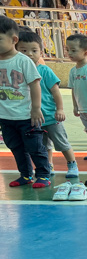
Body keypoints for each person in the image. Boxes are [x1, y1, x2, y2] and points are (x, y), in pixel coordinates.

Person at [16, 30, 77, 180]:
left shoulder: (44, 70)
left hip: (50, 116)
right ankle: (49, 165)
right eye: (24, 51)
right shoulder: (18, 72)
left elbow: (56, 91)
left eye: (34, 50)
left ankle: (72, 164)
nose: (29, 54)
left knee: (61, 142)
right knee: (43, 146)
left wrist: (60, 109)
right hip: (34, 119)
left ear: (41, 52)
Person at [0, 16, 47, 188]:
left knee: (35, 147)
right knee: (16, 147)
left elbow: (35, 85)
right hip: (6, 117)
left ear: (14, 40)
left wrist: (36, 108)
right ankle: (26, 175)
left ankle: (43, 175)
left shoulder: (23, 61)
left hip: (26, 116)